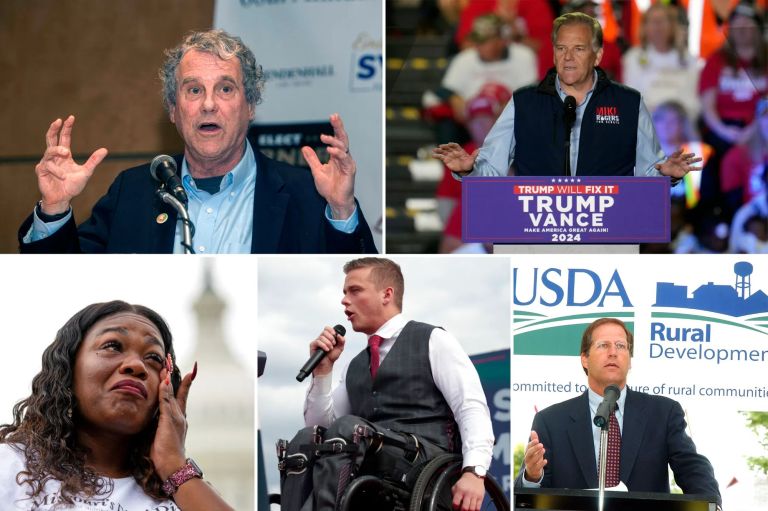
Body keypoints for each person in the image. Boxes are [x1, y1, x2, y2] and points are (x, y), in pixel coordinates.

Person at [18, 29, 376, 254]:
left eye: (225, 88)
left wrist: (342, 212)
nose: (208, 104)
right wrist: (54, 209)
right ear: (174, 109)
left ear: (249, 105)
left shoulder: (307, 194)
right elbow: (66, 283)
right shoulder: (133, 191)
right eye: (193, 90)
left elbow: (352, 280)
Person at [278, 258, 494, 511]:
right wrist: (323, 373)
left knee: (348, 427)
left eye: (355, 291)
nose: (344, 300)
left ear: (386, 294)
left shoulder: (433, 339)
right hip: (370, 465)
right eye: (344, 292)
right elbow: (322, 429)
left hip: (427, 467)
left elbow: (471, 407)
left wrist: (474, 471)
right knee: (306, 438)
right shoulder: (355, 365)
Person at [0, 301, 234, 510]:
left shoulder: (180, 495)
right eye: (112, 346)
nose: (137, 365)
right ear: (68, 369)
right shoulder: (8, 465)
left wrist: (175, 467)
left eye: (153, 358)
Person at [433, 12, 701, 180]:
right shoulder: (524, 102)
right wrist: (468, 169)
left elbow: (647, 173)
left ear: (597, 56)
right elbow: (491, 169)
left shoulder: (628, 103)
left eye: (578, 49)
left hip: (608, 235)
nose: (568, 57)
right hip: (536, 234)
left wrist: (667, 175)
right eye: (561, 48)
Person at [514, 318, 722, 508]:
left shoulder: (663, 413)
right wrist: (532, 477)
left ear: (629, 361)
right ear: (584, 359)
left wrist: (710, 505)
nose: (613, 352)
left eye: (621, 346)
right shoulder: (551, 421)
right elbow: (529, 499)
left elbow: (693, 468)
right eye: (604, 345)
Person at [621, 3, 701, 119]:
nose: (658, 26)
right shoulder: (633, 57)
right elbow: (630, 99)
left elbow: (694, 101)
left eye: (662, 20)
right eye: (653, 21)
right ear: (644, 27)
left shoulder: (688, 59)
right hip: (646, 123)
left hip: (681, 124)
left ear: (672, 26)